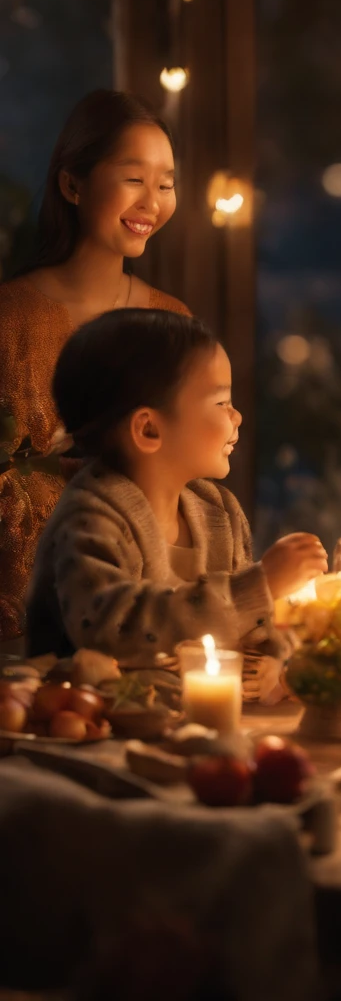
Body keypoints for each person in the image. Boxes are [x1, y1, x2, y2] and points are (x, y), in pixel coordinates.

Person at [0, 90, 190, 646]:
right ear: (72, 184)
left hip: (134, 620)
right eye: (134, 178)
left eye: (166, 182)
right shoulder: (9, 318)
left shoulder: (171, 324)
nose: (152, 201)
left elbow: (189, 483)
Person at [27, 308, 328, 658]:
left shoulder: (220, 512)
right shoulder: (91, 518)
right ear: (149, 429)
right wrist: (259, 586)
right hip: (103, 710)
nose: (238, 416)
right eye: (221, 402)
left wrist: (279, 651)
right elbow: (114, 628)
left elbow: (246, 626)